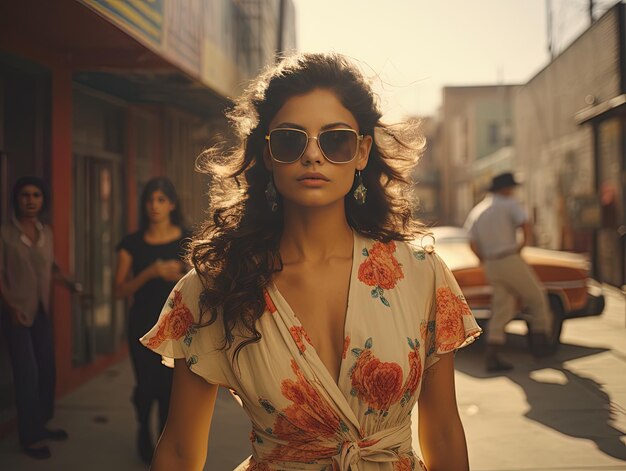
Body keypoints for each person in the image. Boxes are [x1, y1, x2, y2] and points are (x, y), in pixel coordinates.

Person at [141, 53, 481, 471]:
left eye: (335, 139)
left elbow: (444, 429)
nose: (313, 156)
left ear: (362, 152)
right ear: (267, 155)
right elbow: (178, 449)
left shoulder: (421, 274)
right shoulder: (215, 286)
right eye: (290, 139)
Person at [0, 176, 80, 459]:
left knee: (47, 370)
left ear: (42, 200)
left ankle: (41, 424)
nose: (30, 200)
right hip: (16, 314)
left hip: (41, 312)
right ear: (16, 199)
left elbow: (50, 269)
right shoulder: (6, 234)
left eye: (36, 195)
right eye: (25, 195)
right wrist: (11, 307)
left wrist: (70, 283)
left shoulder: (45, 232)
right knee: (27, 375)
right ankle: (29, 438)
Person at [114, 176, 189, 465]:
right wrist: (151, 272)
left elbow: (203, 278)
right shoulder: (132, 243)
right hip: (142, 325)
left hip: (177, 326)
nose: (155, 206)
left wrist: (184, 270)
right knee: (145, 387)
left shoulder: (187, 237)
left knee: (170, 389)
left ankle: (163, 443)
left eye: (161, 200)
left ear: (171, 204)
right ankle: (143, 427)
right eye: (150, 200)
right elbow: (118, 290)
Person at [463, 172, 553, 373]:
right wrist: (521, 247)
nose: (513, 191)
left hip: (491, 264)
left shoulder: (479, 210)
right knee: (537, 298)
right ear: (504, 189)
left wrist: (484, 260)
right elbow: (525, 225)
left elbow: (471, 241)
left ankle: (492, 354)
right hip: (508, 257)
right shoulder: (509, 204)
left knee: (501, 307)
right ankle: (541, 346)